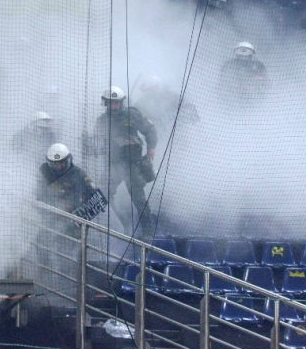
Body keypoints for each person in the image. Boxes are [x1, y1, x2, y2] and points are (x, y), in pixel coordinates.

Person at [87, 86, 158, 237]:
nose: (114, 106)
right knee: (103, 194)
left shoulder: (132, 114)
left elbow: (150, 128)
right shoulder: (102, 121)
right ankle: (122, 222)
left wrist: (151, 147)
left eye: (117, 103)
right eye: (111, 103)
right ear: (106, 103)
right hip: (113, 165)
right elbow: (97, 142)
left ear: (121, 103)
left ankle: (148, 233)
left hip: (133, 164)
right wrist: (90, 145)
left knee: (139, 199)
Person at [133, 75, 199, 142]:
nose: (149, 93)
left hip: (175, 139)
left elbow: (192, 113)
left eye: (150, 90)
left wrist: (168, 117)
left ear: (157, 87)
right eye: (147, 91)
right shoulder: (143, 101)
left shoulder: (173, 97)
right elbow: (132, 112)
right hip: (153, 140)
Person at [37, 143, 97, 215]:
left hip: (74, 214)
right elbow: (40, 190)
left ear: (69, 159)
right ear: (51, 164)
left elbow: (92, 190)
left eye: (64, 162)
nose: (61, 166)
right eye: (57, 164)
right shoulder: (45, 171)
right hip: (50, 212)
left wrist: (93, 196)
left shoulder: (78, 173)